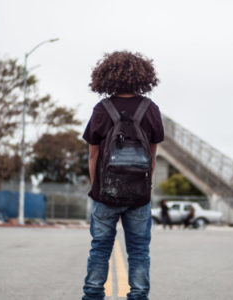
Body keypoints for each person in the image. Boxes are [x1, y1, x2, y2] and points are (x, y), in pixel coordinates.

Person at [82, 50, 164, 300]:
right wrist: (142, 188)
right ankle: (139, 295)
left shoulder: (101, 109)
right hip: (139, 198)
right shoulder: (150, 109)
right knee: (139, 251)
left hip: (105, 195)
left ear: (107, 77)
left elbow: (93, 155)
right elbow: (152, 156)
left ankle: (93, 294)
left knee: (100, 248)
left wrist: (99, 189)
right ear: (142, 77)